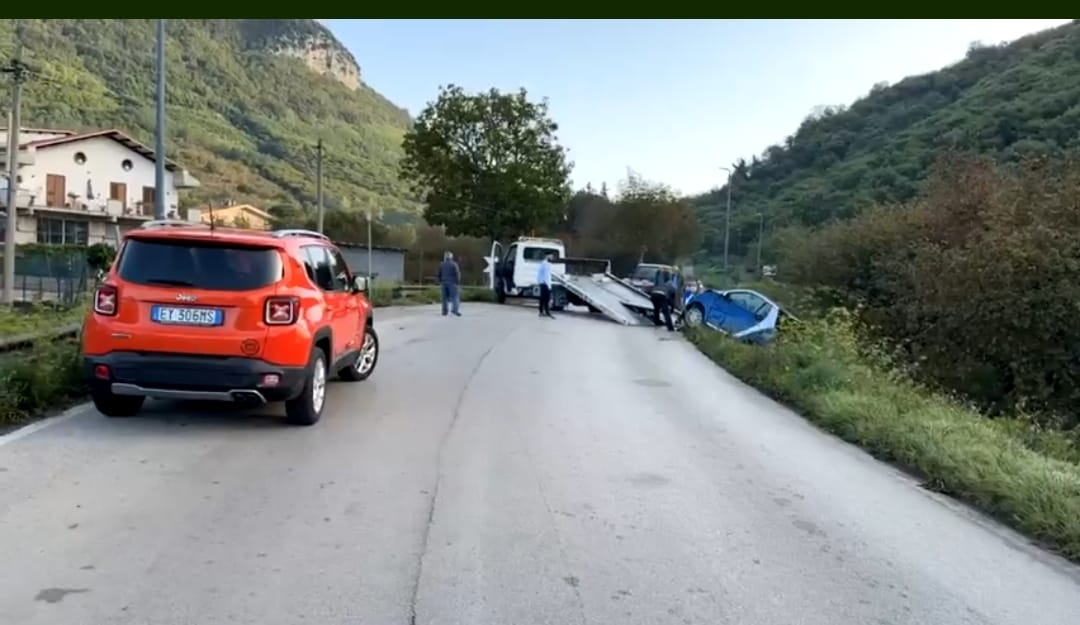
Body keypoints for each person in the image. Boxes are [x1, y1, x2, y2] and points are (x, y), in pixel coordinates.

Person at [437, 251, 461, 317]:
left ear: (445, 257)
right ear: (451, 257)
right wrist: (458, 282)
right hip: (452, 283)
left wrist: (439, 281)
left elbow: (439, 274)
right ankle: (454, 311)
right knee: (455, 297)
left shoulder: (441, 264)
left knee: (444, 298)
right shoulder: (454, 264)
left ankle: (444, 311)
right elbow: (457, 273)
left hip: (444, 283)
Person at [536, 253, 555, 318]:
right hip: (545, 283)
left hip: (545, 283)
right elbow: (545, 275)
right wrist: (547, 284)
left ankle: (543, 311)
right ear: (547, 256)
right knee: (545, 298)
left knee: (544, 298)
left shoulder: (547, 264)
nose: (552, 258)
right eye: (551, 256)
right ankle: (545, 312)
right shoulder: (544, 264)